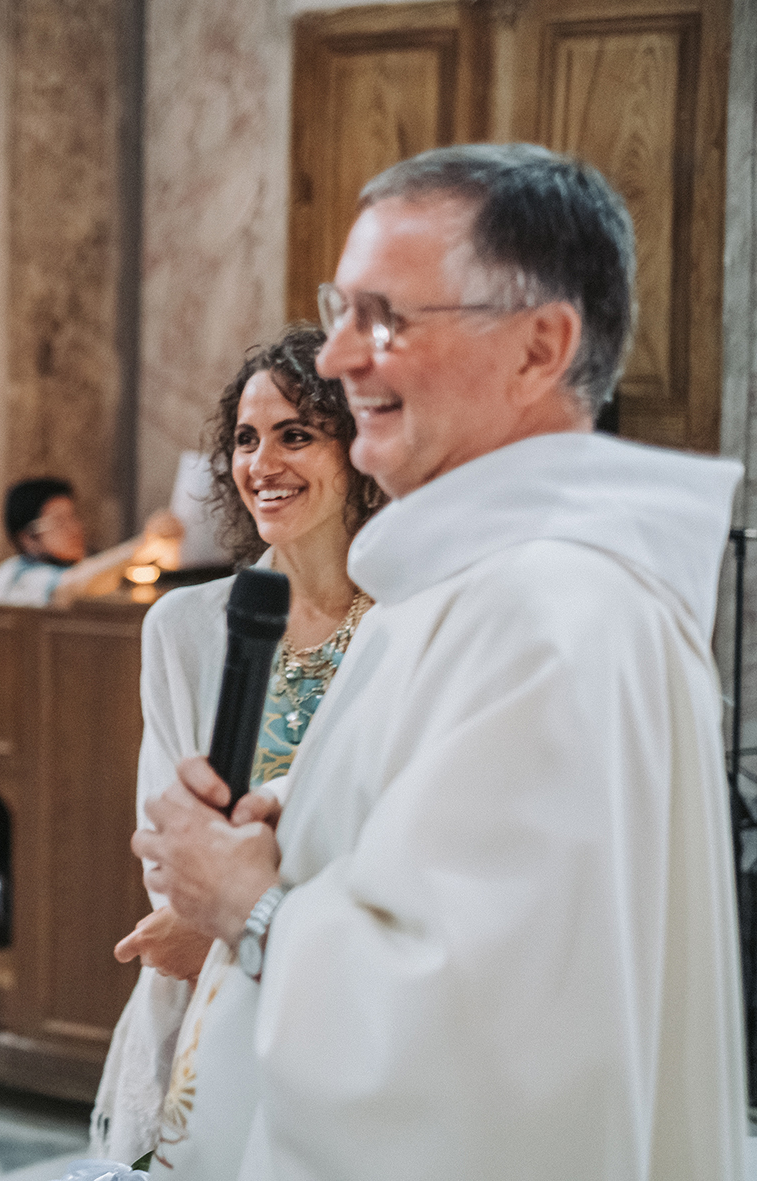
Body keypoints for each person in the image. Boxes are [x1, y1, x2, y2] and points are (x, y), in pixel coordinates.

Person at [137, 144, 745, 1180]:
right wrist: (315, 830)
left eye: (385, 317)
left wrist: (250, 903)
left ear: (538, 346)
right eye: (340, 308)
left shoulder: (554, 613)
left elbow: (479, 1037)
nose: (335, 356)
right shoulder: (468, 588)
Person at [90, 325, 382, 1170]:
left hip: (338, 988)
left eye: (298, 434)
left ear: (362, 446)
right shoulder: (185, 625)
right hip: (203, 999)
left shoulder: (404, 625)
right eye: (247, 439)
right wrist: (202, 911)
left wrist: (233, 913)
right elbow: (167, 839)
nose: (264, 462)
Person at [0, 477, 182, 606]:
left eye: (73, 517)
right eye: (60, 521)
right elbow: (72, 587)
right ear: (28, 537)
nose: (75, 528)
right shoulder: (12, 575)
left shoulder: (86, 563)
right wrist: (143, 544)